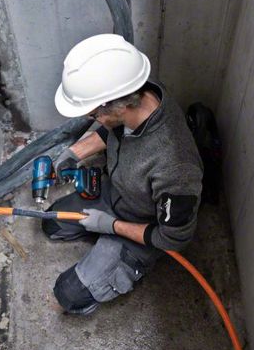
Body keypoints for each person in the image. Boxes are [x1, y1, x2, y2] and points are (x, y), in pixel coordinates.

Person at [43, 33, 203, 315]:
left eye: (93, 115)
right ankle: (102, 240)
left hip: (143, 224)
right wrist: (75, 153)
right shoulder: (141, 92)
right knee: (51, 224)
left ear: (118, 106)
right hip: (119, 191)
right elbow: (114, 128)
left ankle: (127, 262)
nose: (91, 120)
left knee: (69, 295)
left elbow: (173, 239)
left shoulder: (176, 169)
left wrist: (110, 226)